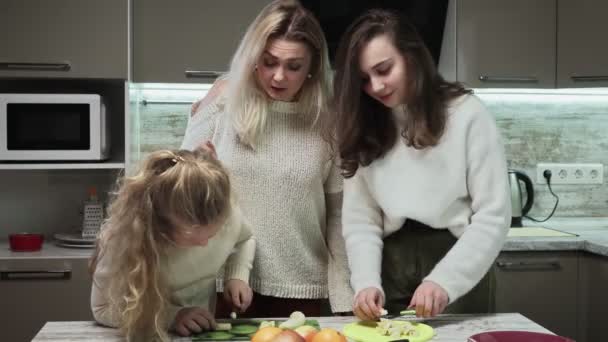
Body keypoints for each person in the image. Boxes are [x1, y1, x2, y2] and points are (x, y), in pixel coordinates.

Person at [328, 9, 511, 321]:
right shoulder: (365, 125)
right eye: (364, 80)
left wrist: (444, 281)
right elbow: (361, 221)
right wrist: (366, 283)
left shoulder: (468, 114)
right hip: (390, 261)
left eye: (384, 70)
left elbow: (493, 216)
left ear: (412, 56)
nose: (376, 86)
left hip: (458, 256)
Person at [181, 0, 353, 316]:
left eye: (293, 66)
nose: (278, 77)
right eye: (269, 61)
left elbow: (338, 217)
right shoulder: (222, 101)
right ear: (253, 57)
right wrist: (196, 168)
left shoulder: (327, 123)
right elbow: (175, 191)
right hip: (222, 286)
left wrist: (345, 300)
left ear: (313, 67)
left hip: (300, 290)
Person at [90, 148, 255, 342]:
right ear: (159, 224)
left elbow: (245, 238)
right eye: (191, 237)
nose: (203, 244)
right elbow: (102, 309)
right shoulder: (124, 239)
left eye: (213, 234)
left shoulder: (226, 213)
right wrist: (172, 317)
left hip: (198, 335)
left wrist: (237, 276)